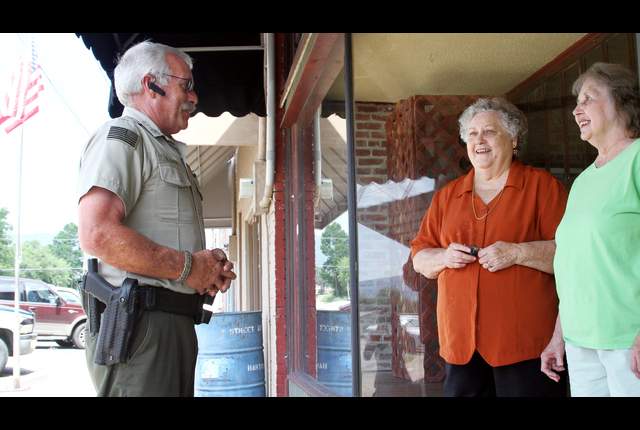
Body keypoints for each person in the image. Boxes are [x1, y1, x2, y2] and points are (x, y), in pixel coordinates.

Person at [77, 41, 236, 397]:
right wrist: (186, 268)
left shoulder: (160, 147)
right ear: (152, 85)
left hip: (168, 325)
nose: (194, 98)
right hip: (143, 330)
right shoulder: (123, 138)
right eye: (187, 85)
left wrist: (204, 271)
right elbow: (97, 233)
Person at [411, 97, 568, 397]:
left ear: (513, 138)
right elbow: (420, 258)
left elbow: (571, 255)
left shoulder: (542, 187)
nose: (478, 140)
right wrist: (444, 256)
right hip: (461, 348)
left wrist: (517, 252)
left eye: (489, 132)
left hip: (525, 346)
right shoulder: (447, 197)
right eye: (471, 134)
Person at [541, 62, 640, 397]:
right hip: (581, 343)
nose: (576, 110)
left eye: (588, 99)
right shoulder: (583, 180)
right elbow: (575, 265)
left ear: (621, 101)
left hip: (629, 340)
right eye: (576, 102)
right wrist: (559, 336)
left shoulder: (638, 158)